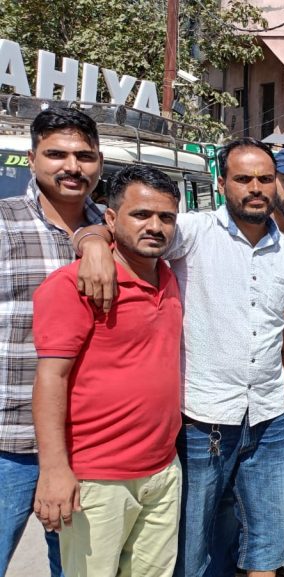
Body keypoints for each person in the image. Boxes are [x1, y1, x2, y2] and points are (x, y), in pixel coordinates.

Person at [77, 137, 284, 577]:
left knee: (270, 544)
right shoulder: (193, 232)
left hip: (270, 418)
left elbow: (283, 328)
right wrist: (92, 243)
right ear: (222, 184)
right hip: (204, 419)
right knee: (190, 548)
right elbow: (128, 227)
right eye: (243, 179)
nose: (255, 188)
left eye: (264, 178)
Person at [32, 165, 183, 577]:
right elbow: (51, 378)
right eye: (141, 215)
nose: (155, 227)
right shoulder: (73, 286)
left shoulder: (170, 279)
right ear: (111, 219)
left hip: (162, 470)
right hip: (97, 478)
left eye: (166, 217)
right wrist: (55, 470)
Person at [0, 107, 105, 577]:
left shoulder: (115, 228)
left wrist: (95, 237)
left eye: (84, 155)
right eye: (56, 154)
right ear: (32, 158)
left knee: (78, 570)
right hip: (9, 439)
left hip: (87, 444)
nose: (72, 166)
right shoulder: (5, 222)